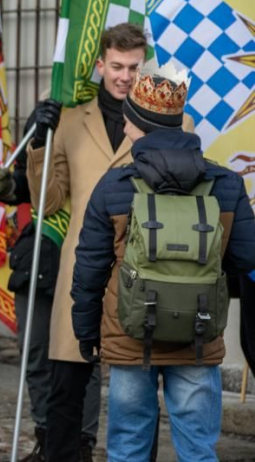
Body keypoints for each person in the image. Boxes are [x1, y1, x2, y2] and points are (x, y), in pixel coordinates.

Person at [25, 23, 193, 461]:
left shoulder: (177, 122)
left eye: (134, 67)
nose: (124, 76)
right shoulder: (69, 120)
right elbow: (50, 200)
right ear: (100, 64)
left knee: (138, 395)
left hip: (147, 270)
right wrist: (37, 143)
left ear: (144, 67)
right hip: (81, 272)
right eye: (116, 66)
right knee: (66, 389)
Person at [71, 72, 255, 461]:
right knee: (198, 449)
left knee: (128, 448)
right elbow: (247, 258)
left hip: (130, 335)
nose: (124, 124)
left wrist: (87, 332)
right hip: (199, 337)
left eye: (128, 117)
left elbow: (89, 268)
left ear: (137, 124)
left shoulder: (114, 186)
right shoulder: (224, 183)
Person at [0, 100, 63, 461]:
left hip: (83, 255)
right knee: (36, 353)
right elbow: (26, 188)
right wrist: (33, 142)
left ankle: (80, 444)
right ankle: (45, 438)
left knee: (81, 362)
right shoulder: (53, 111)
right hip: (39, 256)